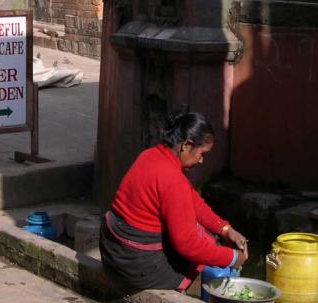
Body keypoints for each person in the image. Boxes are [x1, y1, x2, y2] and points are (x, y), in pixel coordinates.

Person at [99, 108, 248, 292]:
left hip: (111, 249)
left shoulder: (149, 155)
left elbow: (193, 201)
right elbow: (188, 244)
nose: (202, 161)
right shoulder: (172, 179)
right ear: (186, 145)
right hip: (133, 265)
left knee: (206, 237)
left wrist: (225, 229)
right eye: (202, 153)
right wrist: (232, 258)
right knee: (203, 254)